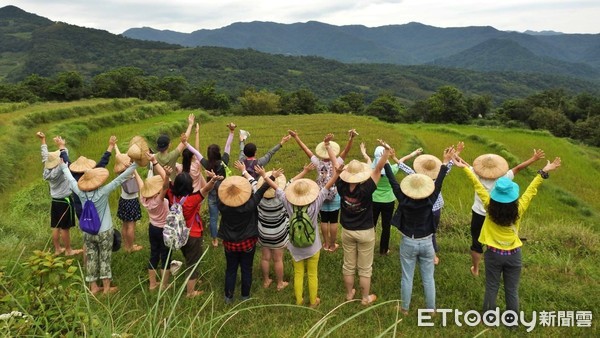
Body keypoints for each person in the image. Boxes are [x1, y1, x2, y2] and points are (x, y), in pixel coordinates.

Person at [454, 155, 561, 313]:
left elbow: (478, 185)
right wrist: (544, 171)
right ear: (513, 195)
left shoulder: (488, 205)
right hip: (514, 255)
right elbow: (531, 190)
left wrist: (464, 168)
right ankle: (512, 322)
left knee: (492, 288)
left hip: (493, 255)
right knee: (511, 291)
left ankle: (488, 317)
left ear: (495, 194)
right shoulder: (519, 208)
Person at [260, 153, 340, 307]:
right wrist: (337, 174)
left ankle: (298, 300)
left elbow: (276, 188)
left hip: (295, 245)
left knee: (298, 274)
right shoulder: (315, 203)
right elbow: (327, 186)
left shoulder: (287, 202)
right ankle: (313, 301)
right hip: (313, 245)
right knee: (312, 274)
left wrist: (264, 175)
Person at [384, 146, 456, 315]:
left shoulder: (402, 198)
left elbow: (393, 181)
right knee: (428, 278)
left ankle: (404, 309)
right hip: (427, 242)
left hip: (408, 241)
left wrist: (386, 160)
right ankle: (431, 310)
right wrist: (445, 162)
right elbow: (439, 181)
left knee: (407, 276)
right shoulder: (431, 198)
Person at [60, 158, 138, 295]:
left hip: (88, 231)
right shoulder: (103, 192)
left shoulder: (80, 192)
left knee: (91, 257)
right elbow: (120, 179)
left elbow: (71, 180)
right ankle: (107, 288)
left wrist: (63, 167)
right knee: (105, 258)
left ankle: (94, 287)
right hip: (104, 232)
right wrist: (135, 165)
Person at [467, 149, 545, 276]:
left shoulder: (476, 175)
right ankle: (495, 265)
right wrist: (534, 158)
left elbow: (466, 166)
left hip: (478, 214)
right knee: (493, 242)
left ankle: (475, 269)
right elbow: (519, 168)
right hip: (495, 216)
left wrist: (455, 157)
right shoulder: (504, 178)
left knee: (476, 243)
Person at [336, 139, 390, 306]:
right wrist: (386, 151)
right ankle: (365, 298)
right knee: (365, 268)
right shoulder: (367, 188)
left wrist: (336, 163)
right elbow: (379, 168)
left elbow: (336, 170)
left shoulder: (341, 185)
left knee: (349, 265)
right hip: (366, 231)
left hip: (347, 231)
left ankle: (349, 294)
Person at [288, 129, 357, 252]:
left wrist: (296, 137)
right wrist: (351, 138)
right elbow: (346, 151)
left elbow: (306, 150)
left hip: (321, 194)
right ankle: (332, 245)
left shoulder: (317, 162)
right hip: (335, 193)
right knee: (334, 220)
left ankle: (325, 244)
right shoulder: (337, 162)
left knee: (324, 220)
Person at [396, 142, 464, 265]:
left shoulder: (414, 175)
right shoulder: (440, 175)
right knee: (431, 231)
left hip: (421, 208)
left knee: (419, 229)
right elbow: (448, 164)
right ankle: (433, 256)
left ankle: (416, 252)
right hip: (436, 207)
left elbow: (401, 164)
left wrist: (393, 156)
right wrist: (456, 153)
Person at [215, 169, 271, 303]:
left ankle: (228, 297)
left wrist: (216, 180)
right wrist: (272, 177)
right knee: (247, 269)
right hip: (247, 243)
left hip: (229, 243)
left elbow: (219, 190)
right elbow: (261, 190)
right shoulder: (250, 205)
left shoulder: (222, 205)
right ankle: (245, 296)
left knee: (230, 269)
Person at [166, 166, 221, 297]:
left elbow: (167, 180)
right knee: (193, 263)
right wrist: (213, 180)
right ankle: (190, 292)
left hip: (178, 234)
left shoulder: (171, 195)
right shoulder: (192, 199)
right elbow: (206, 189)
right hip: (193, 234)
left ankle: (193, 279)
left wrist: (157, 164)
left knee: (189, 257)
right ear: (189, 186)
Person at [234, 160, 289, 291]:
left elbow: (251, 179)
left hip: (263, 232)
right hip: (279, 234)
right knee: (278, 259)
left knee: (265, 258)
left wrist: (243, 169)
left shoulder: (258, 194)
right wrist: (304, 171)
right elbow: (291, 183)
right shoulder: (282, 196)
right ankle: (280, 283)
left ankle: (266, 280)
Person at [36, 132, 81, 256]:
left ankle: (57, 249)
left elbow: (45, 155)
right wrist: (61, 145)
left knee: (56, 225)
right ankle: (68, 250)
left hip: (55, 200)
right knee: (65, 227)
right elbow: (65, 156)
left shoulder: (47, 168)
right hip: (65, 200)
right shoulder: (61, 167)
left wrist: (43, 140)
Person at [134, 153, 171, 290]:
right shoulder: (158, 200)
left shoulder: (143, 199)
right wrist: (166, 175)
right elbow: (166, 187)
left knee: (154, 254)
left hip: (153, 228)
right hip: (164, 230)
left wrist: (134, 170)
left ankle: (152, 284)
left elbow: (140, 183)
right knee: (165, 256)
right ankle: (164, 285)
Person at [200, 122, 236, 248]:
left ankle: (215, 240)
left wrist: (186, 143)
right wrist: (231, 132)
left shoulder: (205, 163)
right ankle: (227, 237)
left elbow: (196, 153)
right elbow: (228, 146)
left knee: (213, 218)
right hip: (224, 193)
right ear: (218, 153)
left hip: (212, 195)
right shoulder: (223, 162)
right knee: (227, 216)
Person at [114, 145, 143, 252]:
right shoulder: (130, 170)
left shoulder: (120, 171)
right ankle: (130, 248)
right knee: (131, 225)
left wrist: (115, 146)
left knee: (125, 224)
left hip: (123, 200)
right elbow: (140, 160)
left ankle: (126, 245)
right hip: (132, 200)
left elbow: (118, 156)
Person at [155, 114, 195, 182]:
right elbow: (184, 141)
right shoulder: (172, 156)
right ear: (169, 145)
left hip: (156, 187)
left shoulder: (154, 158)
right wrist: (190, 125)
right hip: (170, 187)